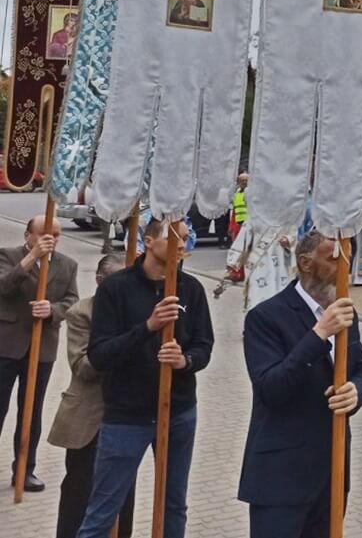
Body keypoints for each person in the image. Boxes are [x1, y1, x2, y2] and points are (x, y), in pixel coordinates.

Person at [76, 218, 213, 538]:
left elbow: (204, 345)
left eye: (186, 238)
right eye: (174, 237)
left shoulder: (191, 288)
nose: (182, 245)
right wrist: (148, 327)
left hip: (178, 411)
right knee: (103, 508)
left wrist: (185, 361)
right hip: (127, 416)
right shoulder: (116, 289)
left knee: (174, 505)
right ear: (148, 242)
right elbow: (99, 354)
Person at [239, 231, 362, 538]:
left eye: (349, 258)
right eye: (335, 258)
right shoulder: (265, 317)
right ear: (305, 263)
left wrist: (356, 391)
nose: (345, 267)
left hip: (331, 472)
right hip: (281, 477)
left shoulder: (346, 312)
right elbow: (271, 389)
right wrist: (319, 334)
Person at [49, 255, 136, 538]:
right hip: (88, 419)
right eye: (118, 280)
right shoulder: (82, 313)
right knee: (80, 492)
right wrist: (123, 345)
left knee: (123, 495)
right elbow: (83, 367)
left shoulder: (136, 312)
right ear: (100, 281)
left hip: (127, 417)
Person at [0, 215, 79, 492]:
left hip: (42, 347)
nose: (50, 239)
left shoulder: (68, 265)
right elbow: (3, 285)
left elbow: (72, 300)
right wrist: (32, 257)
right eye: (44, 233)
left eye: (56, 235)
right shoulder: (7, 255)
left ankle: (25, 469)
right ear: (28, 235)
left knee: (31, 412)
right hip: (7, 346)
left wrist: (52, 310)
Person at [225, 222, 296, 314]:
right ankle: (257, 315)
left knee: (279, 291)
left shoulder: (287, 219)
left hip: (280, 264)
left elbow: (294, 235)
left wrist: (288, 240)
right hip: (258, 264)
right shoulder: (254, 218)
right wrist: (232, 260)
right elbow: (243, 238)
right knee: (258, 292)